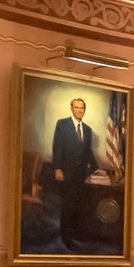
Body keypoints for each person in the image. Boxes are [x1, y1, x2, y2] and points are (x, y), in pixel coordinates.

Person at [48, 95, 103, 252]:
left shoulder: (87, 129)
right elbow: (56, 147)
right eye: (77, 107)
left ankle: (76, 234)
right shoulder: (62, 124)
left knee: (79, 206)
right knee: (67, 206)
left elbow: (89, 152)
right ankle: (66, 238)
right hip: (65, 173)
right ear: (71, 108)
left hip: (81, 176)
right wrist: (57, 168)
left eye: (82, 108)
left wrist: (96, 168)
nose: (79, 110)